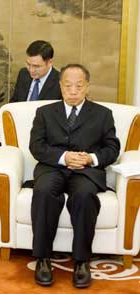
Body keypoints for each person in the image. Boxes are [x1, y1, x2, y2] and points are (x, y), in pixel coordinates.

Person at [29, 64, 120, 288]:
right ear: (60, 86)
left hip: (85, 171)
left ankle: (81, 261)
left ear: (87, 87)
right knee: (43, 192)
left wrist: (90, 158)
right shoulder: (45, 112)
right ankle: (43, 259)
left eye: (78, 86)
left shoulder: (102, 114)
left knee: (84, 196)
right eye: (68, 86)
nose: (73, 91)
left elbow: (112, 148)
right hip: (53, 167)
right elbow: (36, 147)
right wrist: (63, 156)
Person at [0, 40, 62, 159]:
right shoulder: (24, 74)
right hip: (18, 129)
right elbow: (14, 102)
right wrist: (2, 120)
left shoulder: (60, 82)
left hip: (42, 135)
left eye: (36, 66)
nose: (31, 70)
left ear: (50, 62)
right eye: (28, 64)